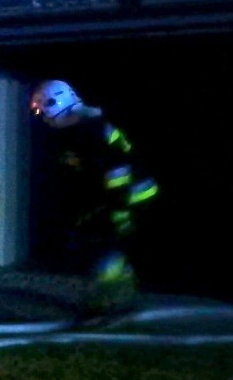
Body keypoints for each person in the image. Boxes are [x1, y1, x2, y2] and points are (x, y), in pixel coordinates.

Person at [29, 78, 159, 309]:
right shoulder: (75, 131)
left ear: (58, 103)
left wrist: (118, 212)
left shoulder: (92, 130)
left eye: (44, 110)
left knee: (105, 244)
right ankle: (118, 292)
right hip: (114, 195)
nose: (43, 118)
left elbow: (116, 173)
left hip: (134, 193)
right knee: (99, 242)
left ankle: (109, 300)